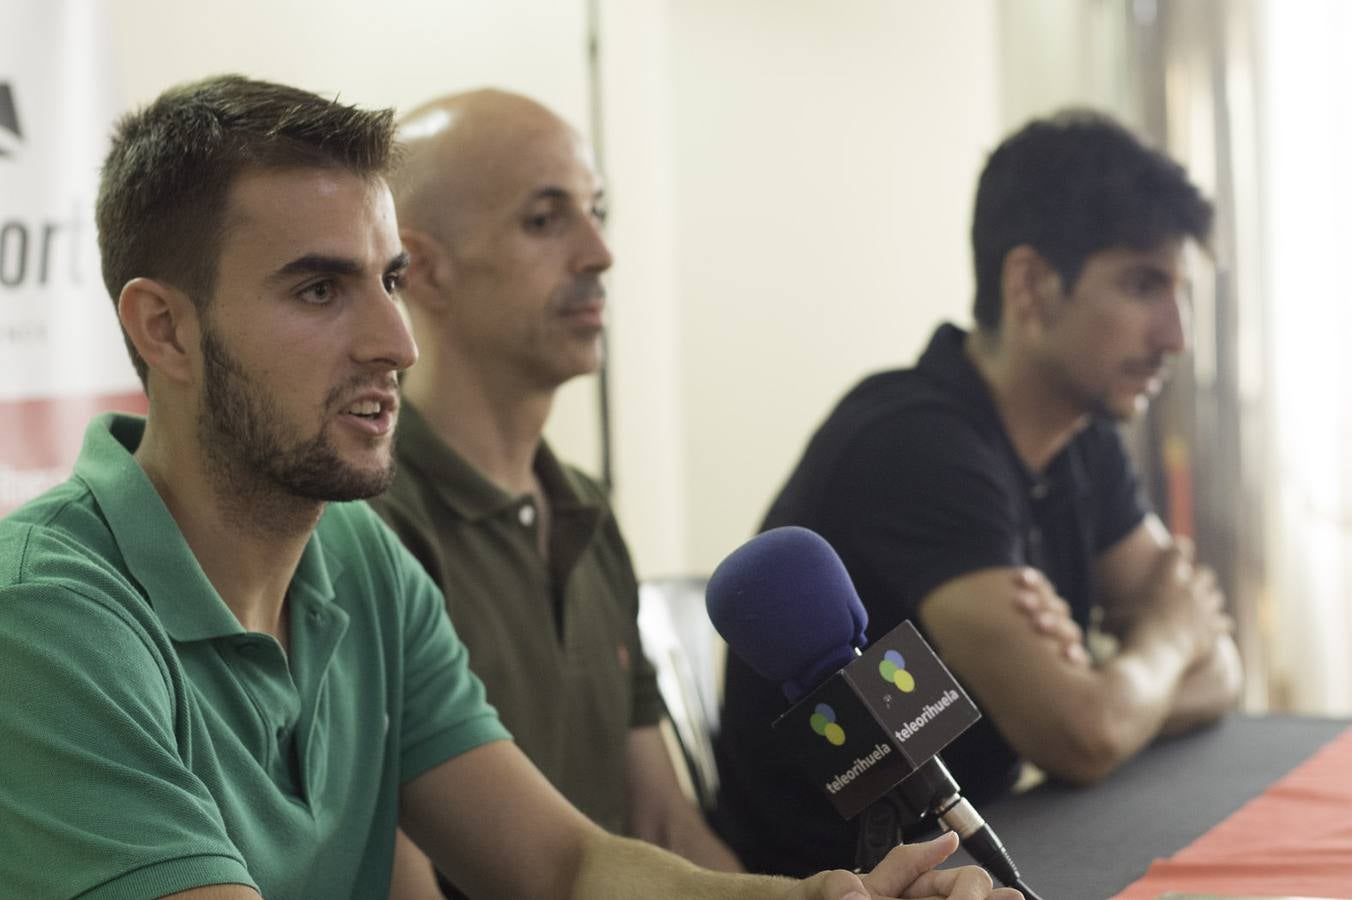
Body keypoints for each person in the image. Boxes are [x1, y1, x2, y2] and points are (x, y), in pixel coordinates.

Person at [0, 74, 1019, 900]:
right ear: (164, 329)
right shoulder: (45, 617)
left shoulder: (356, 556)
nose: (395, 342)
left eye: (389, 281)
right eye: (318, 289)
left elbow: (564, 866)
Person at [715, 109, 1244, 877]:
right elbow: (1084, 736)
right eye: (1142, 284)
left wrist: (1114, 688)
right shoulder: (914, 444)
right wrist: (1163, 640)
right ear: (1030, 285)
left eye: (1181, 291)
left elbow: (1220, 667)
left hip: (983, 851)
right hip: (837, 883)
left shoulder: (1082, 436)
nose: (1177, 336)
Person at [366, 88, 743, 896]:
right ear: (422, 268)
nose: (600, 253)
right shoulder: (372, 525)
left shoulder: (585, 510)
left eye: (596, 212)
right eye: (545, 220)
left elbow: (661, 826)